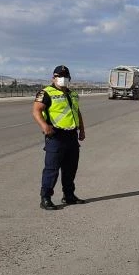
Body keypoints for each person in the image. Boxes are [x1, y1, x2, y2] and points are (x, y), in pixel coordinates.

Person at [32, 65, 86, 210]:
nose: (63, 79)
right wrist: (44, 126)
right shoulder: (46, 93)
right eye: (59, 76)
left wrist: (82, 129)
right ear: (53, 78)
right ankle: (45, 198)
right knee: (52, 169)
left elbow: (77, 111)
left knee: (71, 168)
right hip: (55, 136)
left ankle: (69, 195)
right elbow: (36, 111)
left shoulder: (73, 94)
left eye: (65, 76)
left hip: (71, 135)